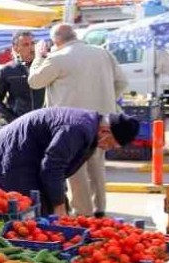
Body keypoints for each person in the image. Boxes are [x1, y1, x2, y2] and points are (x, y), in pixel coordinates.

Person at [28, 23, 128, 217]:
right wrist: (106, 99)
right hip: (102, 120)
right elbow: (122, 82)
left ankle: (83, 214)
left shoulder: (57, 58)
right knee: (97, 165)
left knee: (76, 168)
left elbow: (35, 81)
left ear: (56, 41)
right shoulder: (103, 53)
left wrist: (39, 57)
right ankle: (100, 209)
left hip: (72, 123)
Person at [0, 108, 139, 216]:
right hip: (8, 158)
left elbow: (59, 168)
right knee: (28, 212)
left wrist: (60, 203)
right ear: (105, 131)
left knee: (47, 209)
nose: (108, 148)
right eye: (111, 143)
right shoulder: (77, 129)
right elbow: (52, 168)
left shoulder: (90, 128)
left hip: (29, 157)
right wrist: (59, 206)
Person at [0, 31, 45, 123]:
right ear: (16, 48)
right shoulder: (7, 70)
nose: (31, 48)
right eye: (26, 45)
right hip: (20, 122)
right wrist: (11, 118)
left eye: (33, 43)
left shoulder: (45, 66)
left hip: (45, 120)